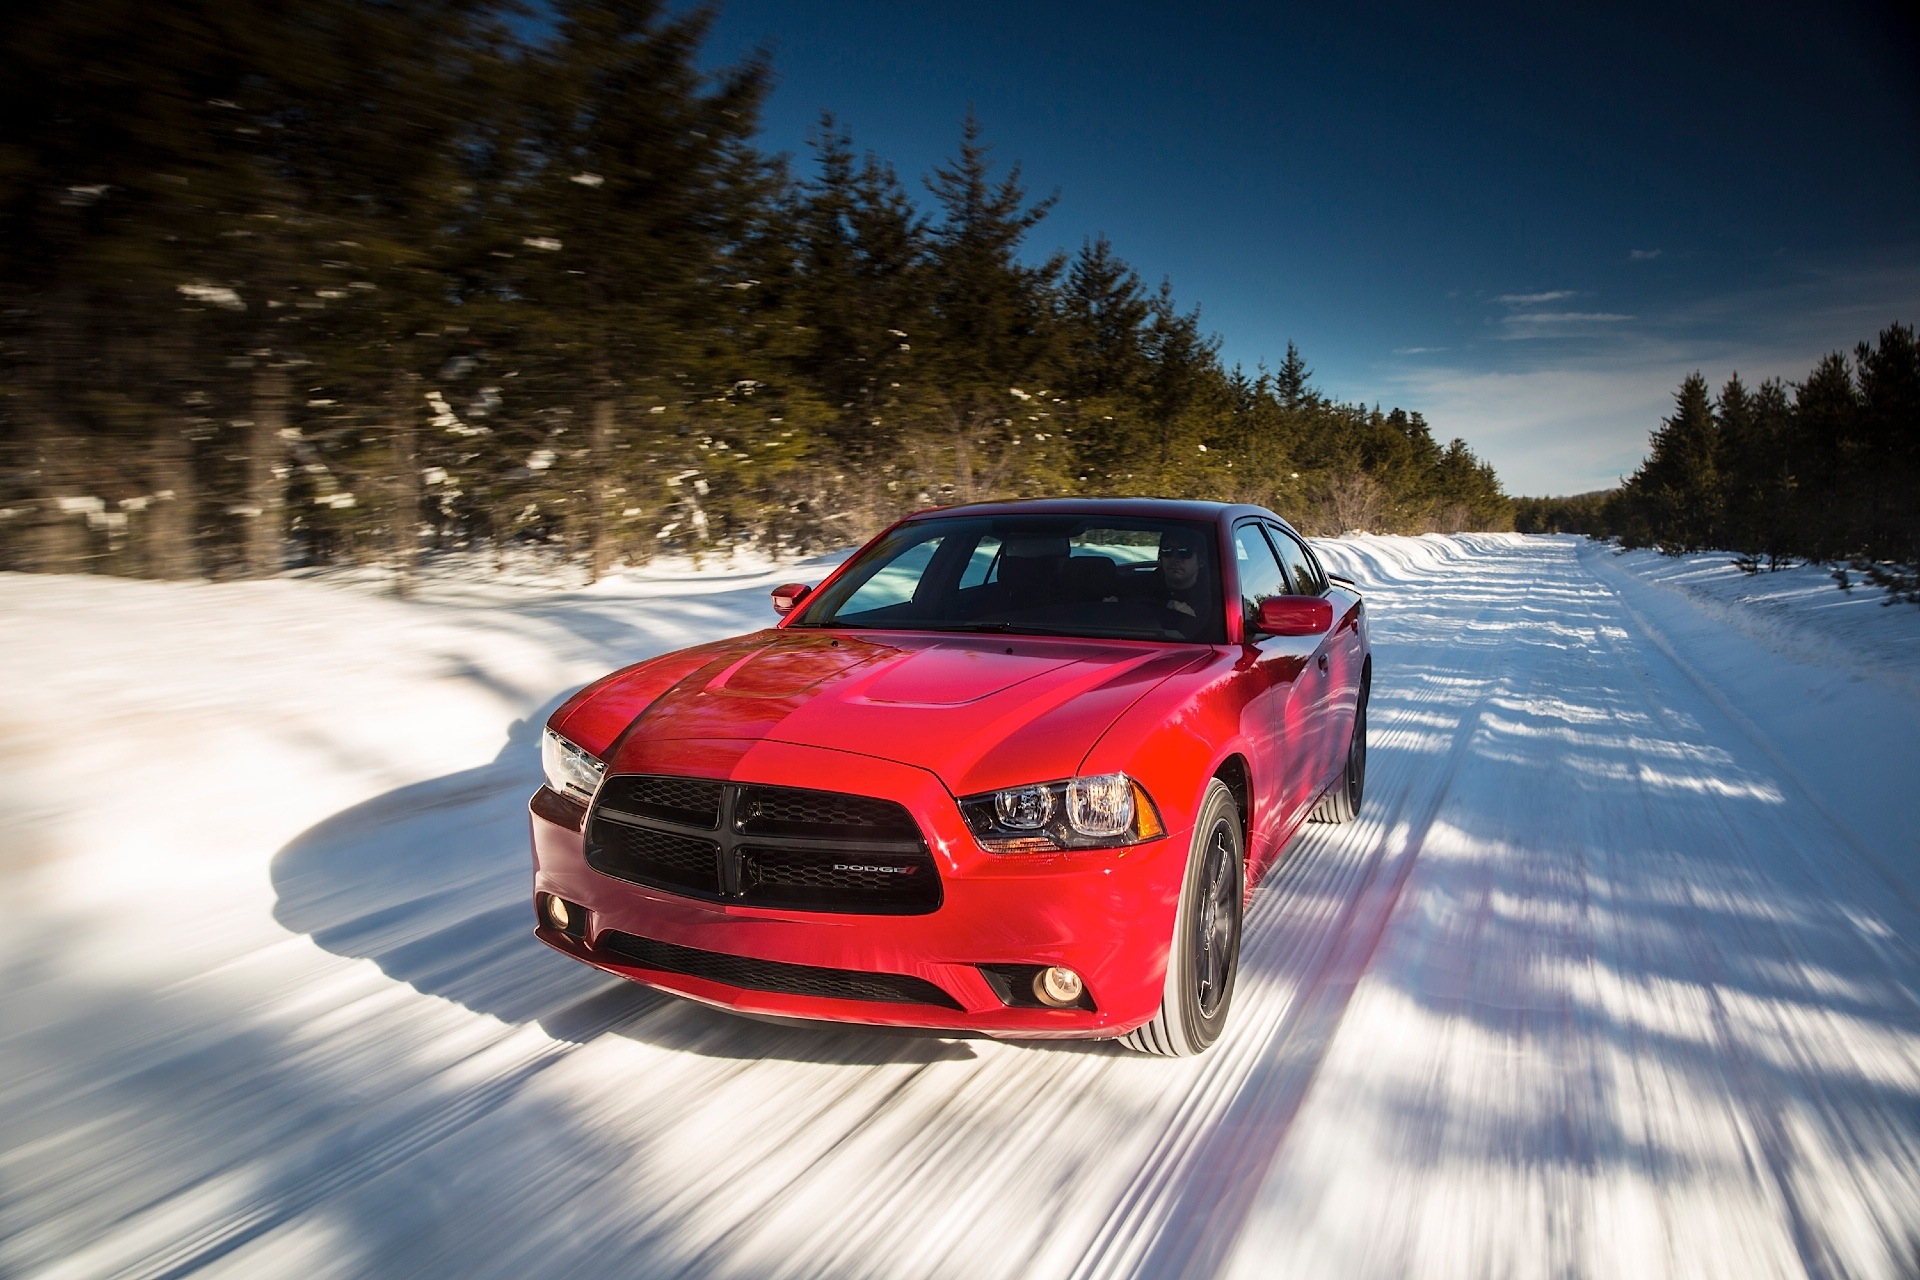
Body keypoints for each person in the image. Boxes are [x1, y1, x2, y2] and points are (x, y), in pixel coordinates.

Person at [1157, 531, 1213, 638]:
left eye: (1185, 551)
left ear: (1201, 560)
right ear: (1160, 556)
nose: (1175, 558)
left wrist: (1191, 621)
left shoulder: (1217, 602)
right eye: (1167, 550)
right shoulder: (1139, 587)